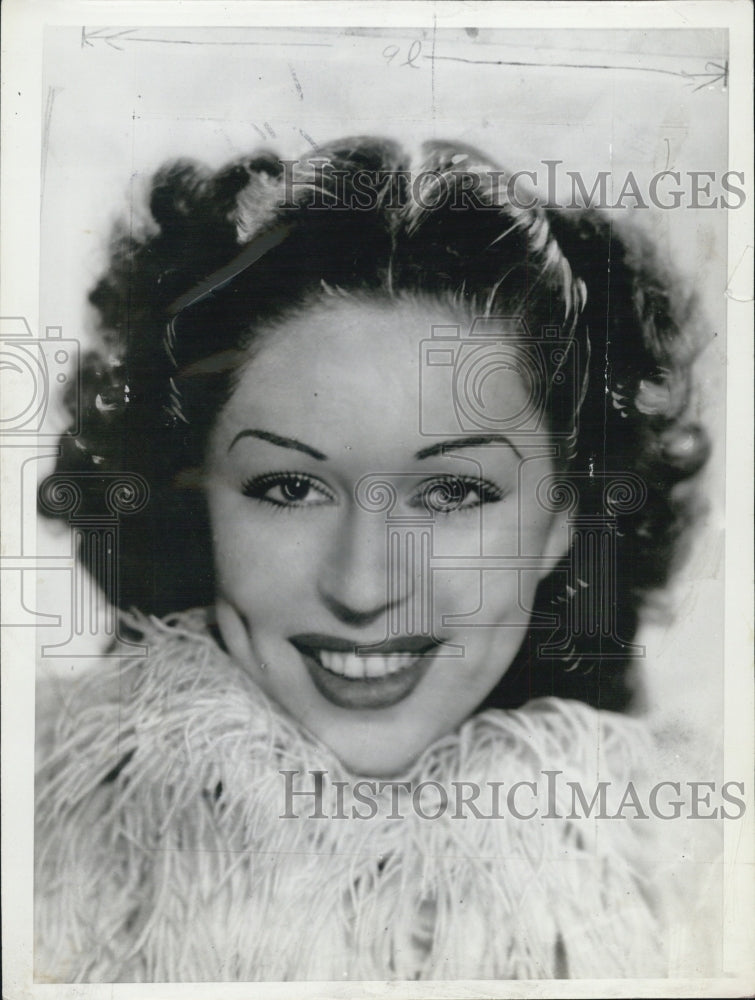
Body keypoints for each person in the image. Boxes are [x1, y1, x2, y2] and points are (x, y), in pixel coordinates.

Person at [35, 136, 711, 982]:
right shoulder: (29, 858)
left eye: (453, 493)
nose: (362, 586)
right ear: (195, 498)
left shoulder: (699, 890)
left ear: (563, 519)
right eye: (288, 488)